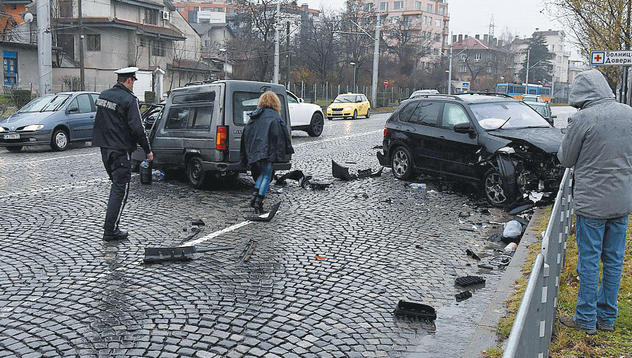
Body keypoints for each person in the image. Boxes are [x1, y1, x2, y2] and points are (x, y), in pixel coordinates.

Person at [557, 69, 632, 335]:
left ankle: (586, 319)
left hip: (592, 205)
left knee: (589, 260)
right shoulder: (629, 112)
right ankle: (608, 318)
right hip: (622, 201)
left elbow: (565, 159)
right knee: (614, 260)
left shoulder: (584, 118)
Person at [93, 67, 153, 241]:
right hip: (120, 150)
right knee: (120, 189)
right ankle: (110, 230)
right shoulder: (129, 99)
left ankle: (111, 228)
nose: (133, 85)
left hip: (105, 149)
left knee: (116, 185)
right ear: (129, 80)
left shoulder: (103, 95)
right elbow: (138, 128)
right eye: (133, 81)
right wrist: (148, 150)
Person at [241, 91, 294, 213]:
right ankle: (259, 203)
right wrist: (286, 148)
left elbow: (247, 132)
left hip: (257, 150)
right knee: (267, 175)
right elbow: (282, 134)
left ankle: (254, 198)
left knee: (263, 173)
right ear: (275, 102)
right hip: (268, 150)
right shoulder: (275, 116)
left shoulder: (255, 115)